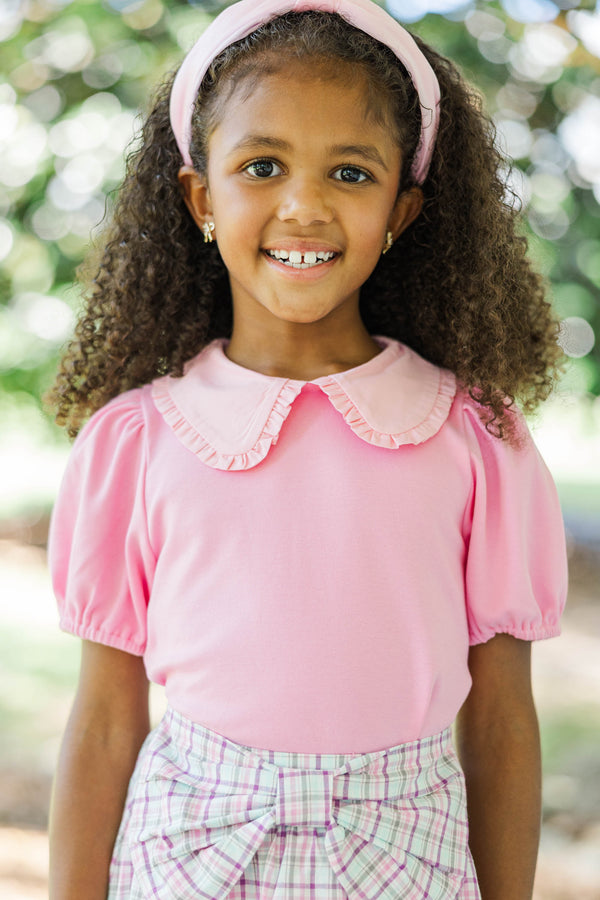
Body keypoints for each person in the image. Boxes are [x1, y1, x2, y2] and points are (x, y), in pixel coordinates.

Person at [45, 0, 569, 898]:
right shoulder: (135, 442)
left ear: (403, 209)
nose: (304, 205)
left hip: (407, 858)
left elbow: (502, 721)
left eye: (352, 174)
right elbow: (101, 724)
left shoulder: (474, 435)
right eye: (261, 165)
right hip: (187, 856)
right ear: (201, 197)